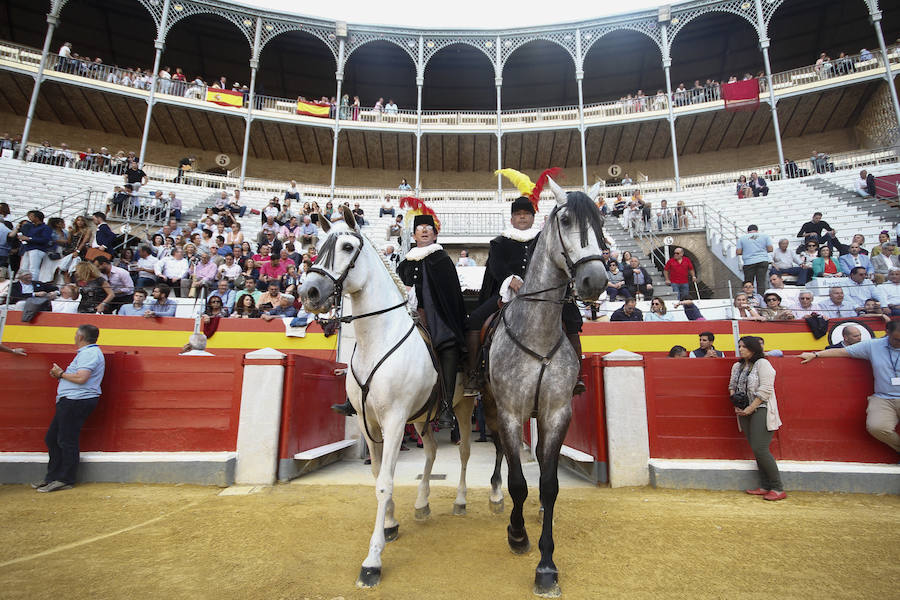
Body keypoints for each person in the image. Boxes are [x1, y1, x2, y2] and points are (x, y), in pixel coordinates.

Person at [397, 213, 467, 427]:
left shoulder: (442, 259)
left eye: (429, 228)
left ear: (435, 234)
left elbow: (449, 293)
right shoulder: (404, 263)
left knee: (448, 347)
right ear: (414, 234)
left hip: (435, 314)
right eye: (421, 228)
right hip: (406, 315)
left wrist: (418, 291)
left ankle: (446, 405)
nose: (425, 230)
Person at [799, 320, 900, 453]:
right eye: (896, 339)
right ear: (887, 333)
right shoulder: (873, 345)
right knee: (877, 427)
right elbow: (842, 352)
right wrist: (815, 355)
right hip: (883, 398)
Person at [34, 324, 105, 493]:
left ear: (81, 337)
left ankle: (65, 478)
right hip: (72, 400)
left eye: (75, 334)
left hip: (76, 400)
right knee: (53, 438)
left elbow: (81, 378)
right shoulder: (89, 353)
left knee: (66, 440)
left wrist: (60, 374)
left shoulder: (89, 353)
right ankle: (53, 477)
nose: (74, 337)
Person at [728, 335, 785, 501]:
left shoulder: (763, 363)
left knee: (760, 448)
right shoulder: (737, 366)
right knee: (756, 448)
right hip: (744, 410)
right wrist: (736, 404)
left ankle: (777, 487)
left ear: (753, 348)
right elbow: (732, 386)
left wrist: (750, 408)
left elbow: (766, 389)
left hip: (761, 408)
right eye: (739, 346)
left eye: (744, 346)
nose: (741, 349)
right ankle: (765, 485)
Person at [736, 225, 773, 295]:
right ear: (757, 230)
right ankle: (761, 297)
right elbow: (770, 249)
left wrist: (747, 251)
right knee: (761, 281)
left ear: (748, 231)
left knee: (748, 282)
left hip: (749, 262)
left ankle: (749, 297)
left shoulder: (742, 238)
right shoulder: (765, 236)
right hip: (762, 260)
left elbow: (738, 252)